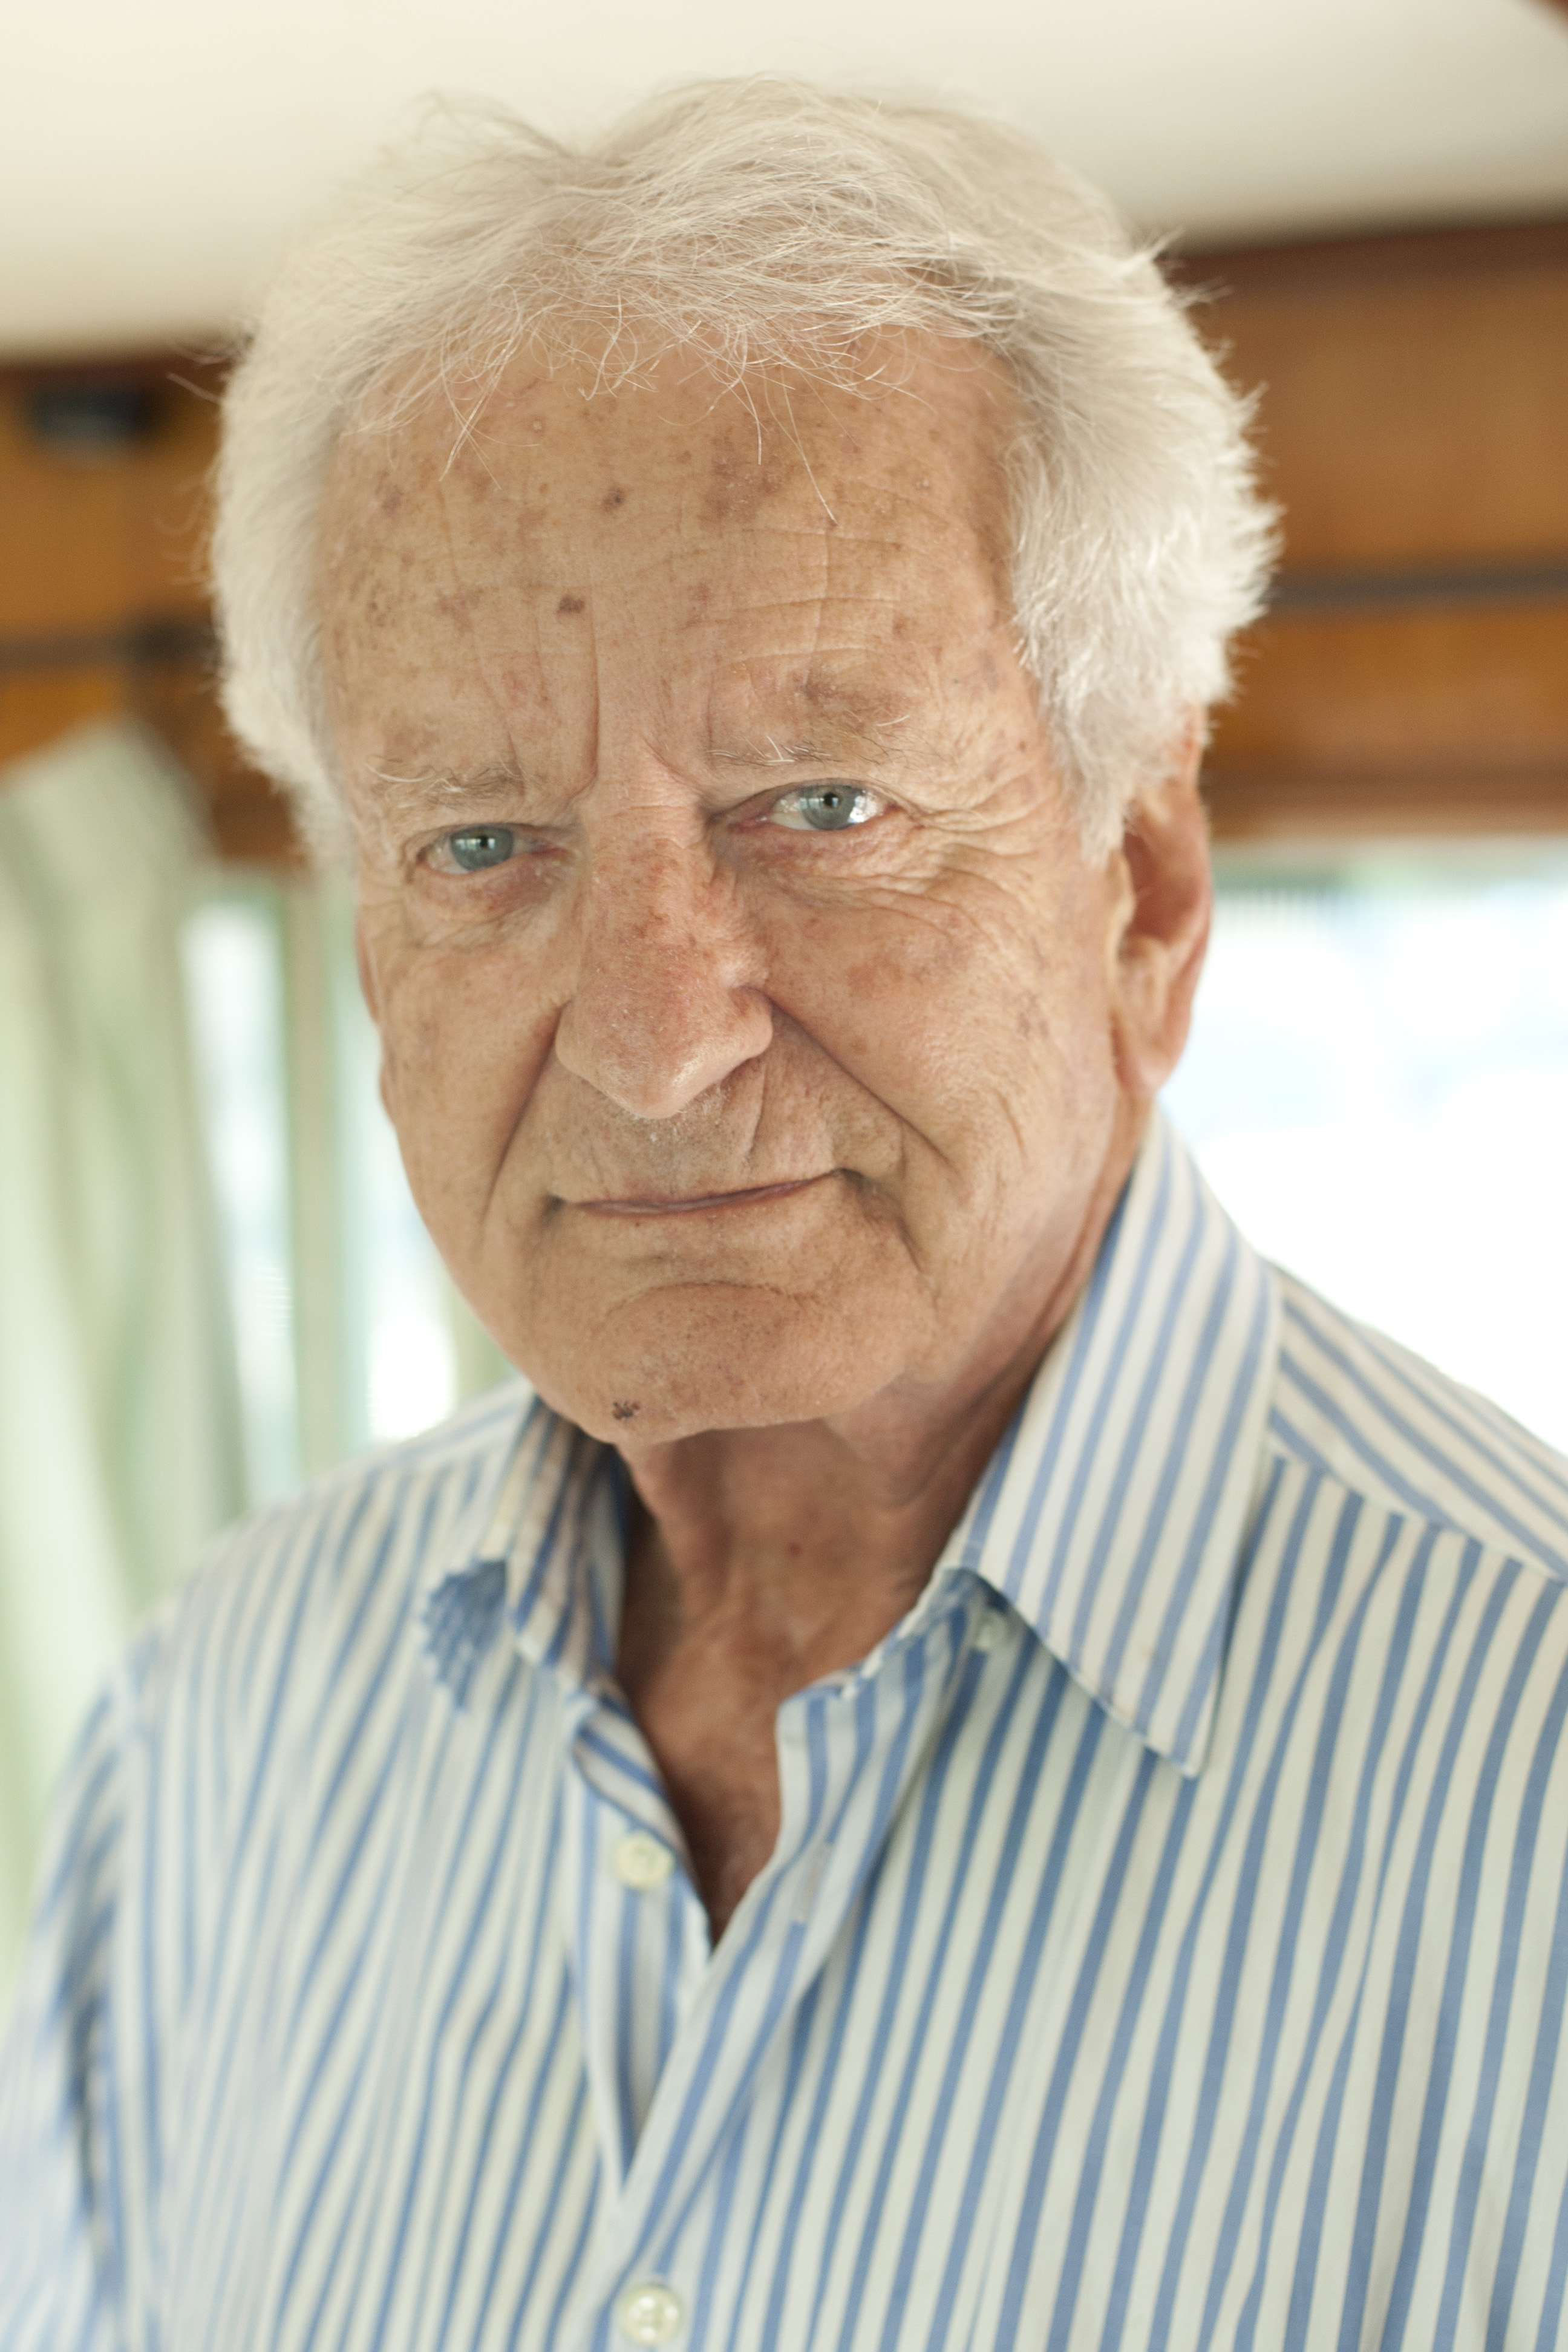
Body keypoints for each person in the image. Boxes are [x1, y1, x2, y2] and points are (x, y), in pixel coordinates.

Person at [3, 78, 1567, 2352]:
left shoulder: (1527, 1774)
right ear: (367, 960)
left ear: (1140, 890)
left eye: (817, 804)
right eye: (480, 845)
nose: (651, 1039)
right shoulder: (216, 1733)